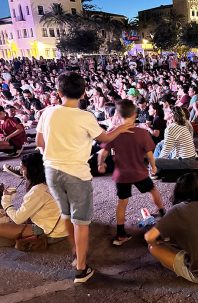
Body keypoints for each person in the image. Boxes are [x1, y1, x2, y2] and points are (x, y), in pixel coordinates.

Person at [36, 71, 133, 283]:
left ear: (59, 92)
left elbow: (40, 142)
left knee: (66, 214)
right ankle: (81, 268)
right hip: (76, 174)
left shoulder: (48, 113)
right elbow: (104, 137)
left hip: (51, 171)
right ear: (83, 93)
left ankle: (75, 253)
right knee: (81, 221)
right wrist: (122, 127)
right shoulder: (85, 116)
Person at [97, 99, 166, 246]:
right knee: (153, 190)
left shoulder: (113, 133)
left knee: (122, 202)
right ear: (134, 114)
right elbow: (149, 154)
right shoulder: (141, 133)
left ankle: (120, 234)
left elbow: (102, 152)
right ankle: (163, 215)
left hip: (121, 174)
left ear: (118, 114)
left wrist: (101, 164)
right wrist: (153, 166)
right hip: (138, 172)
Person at [0, 152, 68, 243]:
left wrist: (6, 200)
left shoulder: (37, 191)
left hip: (55, 231)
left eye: (22, 168)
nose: (20, 171)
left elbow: (18, 219)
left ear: (32, 170)